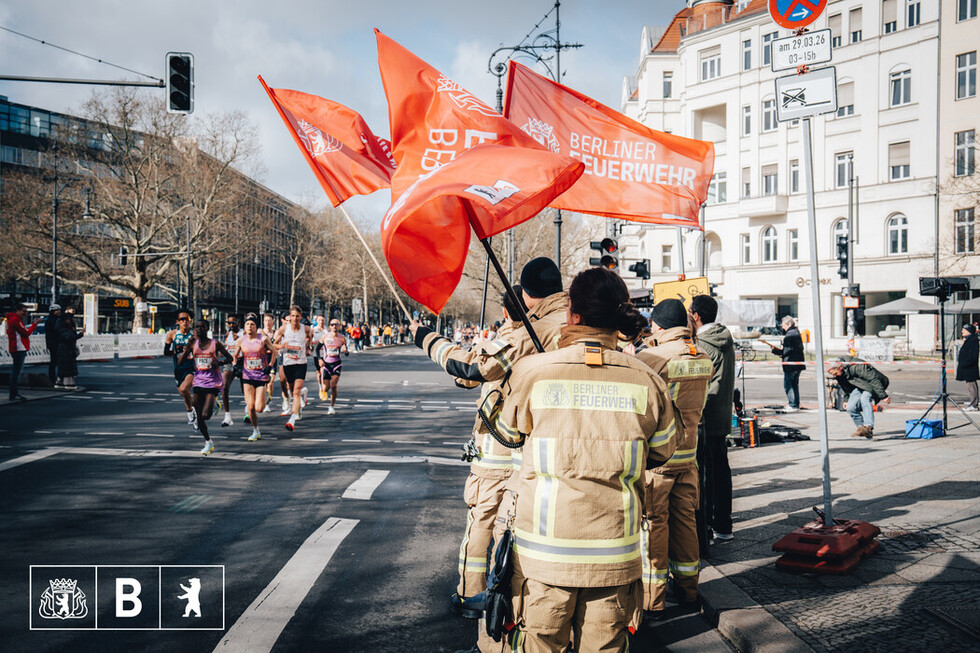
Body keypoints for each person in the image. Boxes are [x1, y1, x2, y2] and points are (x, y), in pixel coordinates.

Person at [489, 267, 678, 651]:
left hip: (544, 557)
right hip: (615, 556)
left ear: (572, 314)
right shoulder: (648, 380)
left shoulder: (535, 372)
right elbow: (662, 451)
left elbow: (507, 434)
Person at [452, 286, 528, 630]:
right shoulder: (544, 341)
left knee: (481, 521)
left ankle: (470, 593)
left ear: (506, 311)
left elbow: (465, 377)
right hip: (524, 454)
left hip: (493, 452)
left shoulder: (504, 342)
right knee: (509, 527)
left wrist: (480, 348)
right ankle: (505, 596)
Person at [636, 299, 712, 619]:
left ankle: (653, 600)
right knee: (685, 523)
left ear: (657, 325)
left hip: (659, 459)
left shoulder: (653, 358)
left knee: (654, 525)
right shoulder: (702, 356)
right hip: (688, 457)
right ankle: (689, 590)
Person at [409, 257, 568, 385]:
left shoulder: (532, 333)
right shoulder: (576, 318)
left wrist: (427, 338)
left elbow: (474, 368)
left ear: (527, 294)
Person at [690, 294, 736, 546]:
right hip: (721, 415)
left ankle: (707, 525)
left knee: (705, 476)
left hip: (705, 417)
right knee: (720, 471)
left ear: (696, 316)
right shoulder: (724, 338)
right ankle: (723, 525)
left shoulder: (703, 345)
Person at [177, 319, 232, 455]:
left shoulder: (215, 344)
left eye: (202, 327)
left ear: (207, 329)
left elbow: (230, 358)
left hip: (212, 382)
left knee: (206, 415)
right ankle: (208, 442)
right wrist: (187, 348)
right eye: (197, 327)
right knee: (199, 418)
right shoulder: (193, 344)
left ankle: (215, 404)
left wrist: (219, 363)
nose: (199, 329)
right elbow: (180, 362)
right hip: (198, 381)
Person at [233, 313, 277, 441]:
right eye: (247, 324)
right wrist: (235, 366)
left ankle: (265, 396)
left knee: (259, 408)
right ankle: (255, 430)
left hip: (261, 376)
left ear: (256, 327)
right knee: (251, 407)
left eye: (252, 324)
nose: (249, 326)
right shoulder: (241, 340)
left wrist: (270, 366)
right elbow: (234, 355)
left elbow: (274, 351)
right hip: (247, 376)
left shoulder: (263, 339)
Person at [827, 357, 891, 439]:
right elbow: (845, 387)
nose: (834, 376)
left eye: (835, 373)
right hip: (859, 386)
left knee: (865, 399)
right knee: (850, 407)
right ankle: (862, 429)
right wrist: (846, 400)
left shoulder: (856, 366)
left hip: (873, 384)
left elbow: (873, 379)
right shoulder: (839, 374)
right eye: (833, 374)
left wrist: (883, 396)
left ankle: (868, 427)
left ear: (840, 367)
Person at [274, 305, 312, 431]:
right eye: (293, 316)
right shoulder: (284, 329)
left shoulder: (306, 329)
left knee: (295, 391)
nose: (295, 318)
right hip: (288, 363)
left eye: (297, 316)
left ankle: (292, 420)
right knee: (291, 390)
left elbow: (310, 336)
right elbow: (274, 344)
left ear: (301, 317)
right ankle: (303, 394)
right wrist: (281, 346)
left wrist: (308, 347)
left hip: (301, 363)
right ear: (289, 317)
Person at [164, 308, 197, 429]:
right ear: (177, 321)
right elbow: (166, 352)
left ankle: (194, 412)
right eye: (182, 319)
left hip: (192, 367)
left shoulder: (194, 334)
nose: (185, 321)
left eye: (187, 319)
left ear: (190, 320)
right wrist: (175, 351)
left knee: (184, 388)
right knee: (184, 394)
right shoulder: (172, 334)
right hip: (178, 368)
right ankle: (191, 412)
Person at [765, 316, 806, 412]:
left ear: (789, 324)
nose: (782, 327)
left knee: (789, 385)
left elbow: (787, 351)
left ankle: (793, 405)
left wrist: (775, 351)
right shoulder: (796, 332)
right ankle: (795, 404)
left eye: (783, 325)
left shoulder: (789, 335)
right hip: (797, 363)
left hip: (791, 364)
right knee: (794, 384)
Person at [5, 303, 40, 401]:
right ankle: (13, 393)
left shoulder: (11, 319)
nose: (25, 314)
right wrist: (34, 324)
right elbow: (26, 333)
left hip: (15, 347)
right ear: (18, 311)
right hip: (19, 347)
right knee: (17, 371)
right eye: (23, 311)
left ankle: (13, 393)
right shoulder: (16, 320)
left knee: (16, 371)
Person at [318, 318, 349, 415]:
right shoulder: (325, 337)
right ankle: (322, 389)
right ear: (329, 326)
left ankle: (331, 406)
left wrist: (346, 351)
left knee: (334, 385)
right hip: (326, 364)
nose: (334, 326)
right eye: (332, 324)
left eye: (336, 324)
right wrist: (319, 359)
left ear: (339, 326)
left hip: (337, 364)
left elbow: (346, 352)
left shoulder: (342, 338)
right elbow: (317, 349)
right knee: (326, 388)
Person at [219, 315, 244, 427]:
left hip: (241, 362)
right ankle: (227, 416)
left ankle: (248, 410)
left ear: (238, 322)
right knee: (224, 387)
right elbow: (227, 347)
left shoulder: (243, 333)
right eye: (229, 323)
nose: (231, 325)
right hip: (229, 363)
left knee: (244, 390)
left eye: (233, 322)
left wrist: (238, 338)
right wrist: (223, 352)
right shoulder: (228, 334)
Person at [54, 310, 84, 389]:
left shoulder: (61, 327)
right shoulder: (64, 329)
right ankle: (69, 383)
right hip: (66, 349)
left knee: (63, 367)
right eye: (68, 319)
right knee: (68, 367)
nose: (69, 321)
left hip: (64, 349)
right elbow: (69, 338)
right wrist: (80, 334)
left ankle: (60, 382)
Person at [957, 324, 979, 411]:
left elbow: (972, 355)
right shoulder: (969, 340)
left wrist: (965, 363)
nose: (962, 331)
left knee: (972, 386)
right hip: (968, 367)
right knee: (970, 385)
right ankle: (973, 402)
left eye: (964, 330)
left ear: (969, 331)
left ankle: (974, 404)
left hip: (970, 367)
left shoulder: (973, 340)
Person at [262, 313, 280, 412]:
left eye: (269, 321)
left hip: (272, 359)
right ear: (263, 322)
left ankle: (268, 403)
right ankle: (264, 399)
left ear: (273, 322)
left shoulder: (276, 333)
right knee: (264, 382)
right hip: (262, 359)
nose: (268, 323)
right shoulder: (260, 333)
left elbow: (278, 344)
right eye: (266, 320)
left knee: (271, 381)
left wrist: (276, 348)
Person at [44, 304, 62, 387]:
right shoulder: (52, 321)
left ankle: (54, 378)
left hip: (54, 343)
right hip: (54, 343)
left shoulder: (55, 320)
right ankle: (53, 379)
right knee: (54, 362)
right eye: (56, 310)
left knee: (55, 362)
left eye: (59, 310)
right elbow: (55, 331)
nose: (58, 312)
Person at [311, 315, 328, 401]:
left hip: (325, 354)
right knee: (319, 372)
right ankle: (320, 387)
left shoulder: (326, 330)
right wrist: (313, 343)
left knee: (323, 371)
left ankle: (324, 390)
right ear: (317, 321)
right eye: (320, 320)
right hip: (316, 354)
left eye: (323, 320)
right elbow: (309, 340)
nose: (321, 322)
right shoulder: (313, 330)